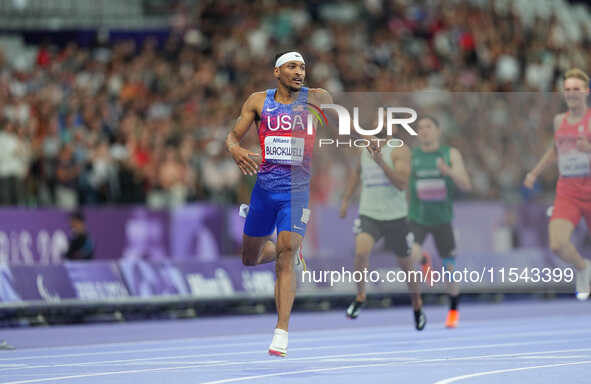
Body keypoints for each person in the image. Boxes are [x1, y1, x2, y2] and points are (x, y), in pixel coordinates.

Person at [225, 51, 335, 357]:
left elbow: (344, 124)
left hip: (296, 193)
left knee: (286, 254)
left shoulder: (316, 98)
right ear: (277, 71)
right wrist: (235, 150)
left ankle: (281, 332)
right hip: (263, 192)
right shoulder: (258, 101)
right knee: (251, 258)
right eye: (292, 66)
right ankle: (291, 248)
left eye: (302, 67)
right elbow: (232, 137)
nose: (299, 71)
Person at [340, 128, 426, 330]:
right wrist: (345, 199)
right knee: (361, 253)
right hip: (370, 213)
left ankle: (417, 305)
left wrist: (380, 162)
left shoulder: (400, 151)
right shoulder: (364, 148)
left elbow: (402, 184)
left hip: (395, 217)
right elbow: (357, 173)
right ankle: (360, 296)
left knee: (406, 266)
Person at [524, 68, 591, 300]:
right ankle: (583, 268)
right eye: (567, 89)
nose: (571, 93)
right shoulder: (558, 121)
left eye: (576, 89)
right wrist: (535, 172)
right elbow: (555, 150)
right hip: (568, 192)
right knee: (557, 244)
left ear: (586, 91)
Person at [408, 116, 472, 328]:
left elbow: (466, 185)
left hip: (443, 220)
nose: (424, 131)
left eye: (428, 127)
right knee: (410, 253)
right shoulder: (412, 156)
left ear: (437, 130)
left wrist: (449, 171)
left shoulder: (450, 154)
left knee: (449, 272)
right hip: (418, 218)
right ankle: (424, 259)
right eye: (420, 128)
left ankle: (453, 311)